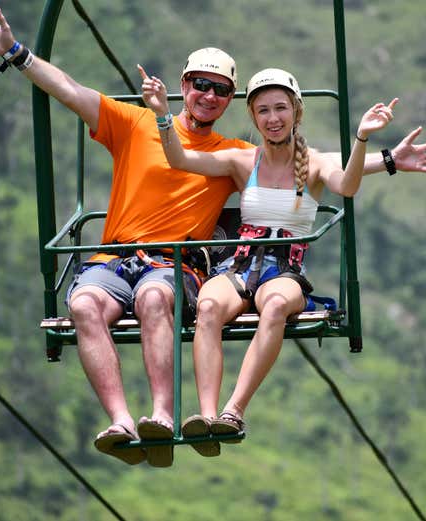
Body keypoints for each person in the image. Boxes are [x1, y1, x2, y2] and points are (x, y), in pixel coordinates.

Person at [0, 5, 426, 467]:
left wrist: (382, 157)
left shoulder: (236, 151)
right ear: (184, 85)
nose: (209, 95)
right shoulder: (136, 125)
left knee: (157, 298)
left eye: (220, 89)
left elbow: (321, 172)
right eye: (200, 85)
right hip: (119, 257)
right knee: (84, 305)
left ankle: (166, 415)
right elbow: (69, 90)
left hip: (176, 265)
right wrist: (16, 52)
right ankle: (122, 422)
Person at [141, 66, 407, 451]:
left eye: (280, 108)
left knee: (277, 303)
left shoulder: (314, 163)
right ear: (254, 117)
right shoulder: (242, 161)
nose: (273, 118)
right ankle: (206, 414)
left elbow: (347, 184)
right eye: (263, 111)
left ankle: (234, 408)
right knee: (210, 305)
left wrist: (362, 137)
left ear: (296, 112)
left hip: (284, 270)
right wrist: (164, 115)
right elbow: (180, 159)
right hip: (240, 265)